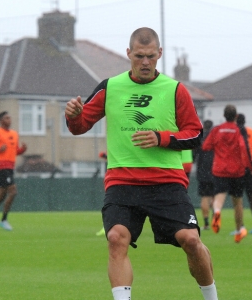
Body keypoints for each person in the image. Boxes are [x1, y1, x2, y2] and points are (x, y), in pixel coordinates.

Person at [64, 27, 217, 300]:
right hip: (123, 182)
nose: (144, 62)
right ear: (128, 54)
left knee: (192, 241)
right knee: (116, 238)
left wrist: (161, 137)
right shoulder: (110, 87)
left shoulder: (175, 90)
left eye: (150, 56)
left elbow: (195, 133)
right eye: (138, 56)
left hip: (166, 182)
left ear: (159, 54)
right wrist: (74, 116)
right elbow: (80, 125)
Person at [202, 105, 248, 243]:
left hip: (220, 169)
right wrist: (248, 165)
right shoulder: (238, 130)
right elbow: (243, 148)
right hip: (236, 171)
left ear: (224, 115)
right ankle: (239, 230)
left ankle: (216, 212)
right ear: (235, 116)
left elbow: (205, 146)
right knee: (237, 202)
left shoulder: (217, 130)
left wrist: (219, 148)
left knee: (219, 196)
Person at [194, 120, 214, 230]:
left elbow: (194, 153)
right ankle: (215, 220)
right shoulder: (215, 137)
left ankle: (206, 223)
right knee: (215, 197)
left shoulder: (199, 137)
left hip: (202, 171)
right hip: (215, 170)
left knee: (205, 198)